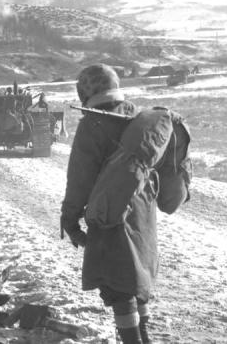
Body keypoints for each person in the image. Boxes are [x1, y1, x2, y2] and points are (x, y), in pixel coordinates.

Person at [60, 64, 157, 344]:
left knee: (117, 283)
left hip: (109, 212)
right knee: (136, 275)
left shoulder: (92, 124)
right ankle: (144, 335)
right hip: (142, 210)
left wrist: (69, 218)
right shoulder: (138, 117)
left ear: (85, 91)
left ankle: (132, 340)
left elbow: (80, 178)